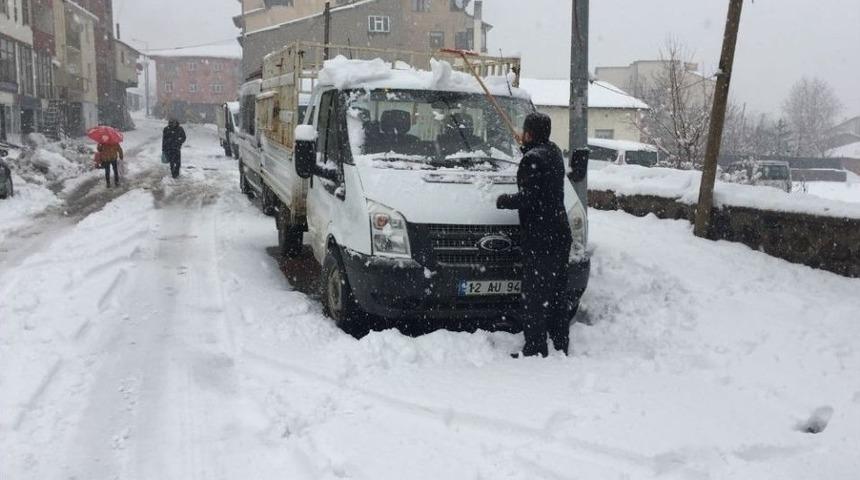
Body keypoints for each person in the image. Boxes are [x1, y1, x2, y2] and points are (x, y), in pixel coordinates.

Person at [497, 113, 573, 357]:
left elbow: (529, 198)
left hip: (541, 238)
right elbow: (539, 164)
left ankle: (535, 347)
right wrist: (527, 146)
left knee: (535, 297)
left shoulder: (532, 159)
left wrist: (503, 200)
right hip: (560, 234)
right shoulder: (553, 152)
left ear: (529, 133)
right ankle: (560, 343)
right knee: (557, 293)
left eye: (525, 131)